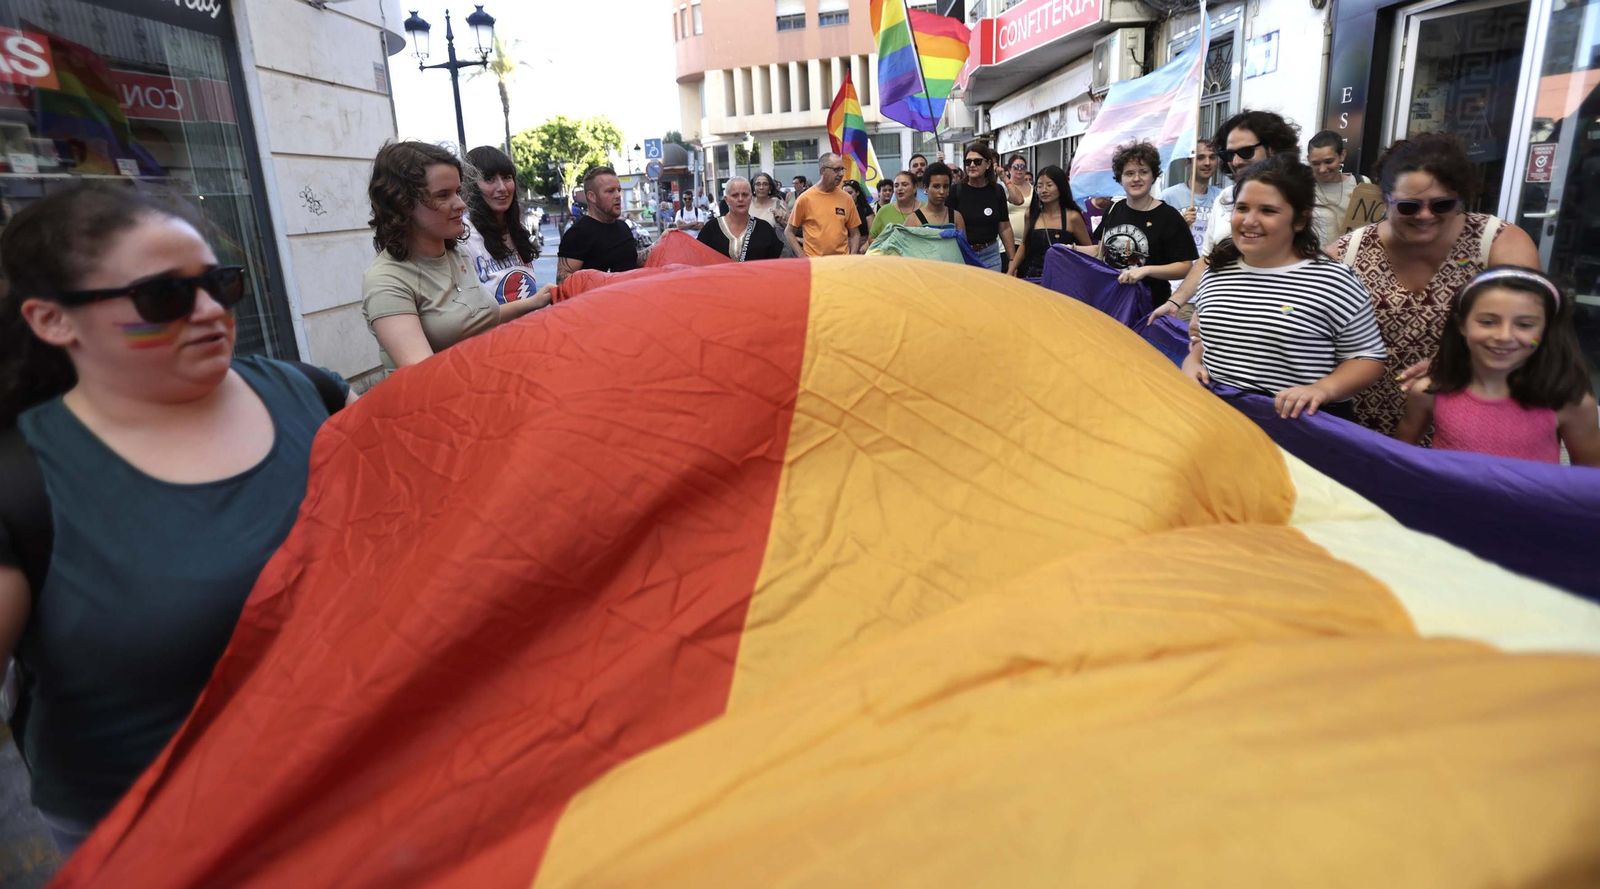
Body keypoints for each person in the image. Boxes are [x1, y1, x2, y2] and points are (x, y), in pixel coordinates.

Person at [0, 184, 353, 853]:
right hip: (153, 839)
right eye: (162, 296)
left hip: (349, 783)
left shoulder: (311, 393)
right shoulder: (21, 486)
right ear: (52, 321)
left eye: (220, 283)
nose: (210, 311)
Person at [1328, 133, 1540, 435]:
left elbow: (1533, 334)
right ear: (1385, 199)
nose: (1425, 216)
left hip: (1467, 425)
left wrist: (1462, 363)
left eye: (1442, 205)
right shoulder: (1346, 254)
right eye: (1409, 207)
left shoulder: (1498, 244)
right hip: (1364, 425)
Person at [1182, 155, 1387, 420]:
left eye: (1268, 211)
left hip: (1298, 435)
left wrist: (1322, 389)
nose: (1249, 221)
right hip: (1221, 424)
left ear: (1300, 220)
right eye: (1242, 208)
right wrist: (1192, 362)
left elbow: (1368, 358)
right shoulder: (1215, 273)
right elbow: (1211, 341)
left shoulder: (1333, 281)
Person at [362, 142, 545, 374]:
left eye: (458, 192)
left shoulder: (455, 254)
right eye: (443, 195)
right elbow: (424, 376)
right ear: (402, 204)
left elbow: (480, 318)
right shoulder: (386, 281)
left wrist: (538, 301)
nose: (461, 204)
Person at [1397, 267, 1599, 464]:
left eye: (1525, 325)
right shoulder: (1428, 391)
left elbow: (1589, 480)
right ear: (1461, 325)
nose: (1504, 336)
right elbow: (1398, 458)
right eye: (1487, 322)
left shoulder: (1569, 402)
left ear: (1546, 331)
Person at [1152, 110, 1303, 322]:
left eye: (1247, 151)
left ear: (1274, 148)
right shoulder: (1224, 198)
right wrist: (1175, 301)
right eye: (1229, 154)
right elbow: (1207, 258)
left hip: (1278, 320)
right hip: (1216, 317)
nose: (1237, 161)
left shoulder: (1301, 198)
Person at [1078, 140, 1197, 311]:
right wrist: (1070, 248)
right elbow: (1101, 250)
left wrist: (1146, 270)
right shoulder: (1113, 209)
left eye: (1143, 172)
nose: (1136, 179)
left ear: (1153, 176)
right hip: (1112, 302)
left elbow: (1185, 267)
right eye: (1129, 173)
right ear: (1120, 178)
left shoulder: (1169, 216)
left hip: (1149, 307)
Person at [461, 146, 550, 307]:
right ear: (471, 186)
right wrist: (535, 302)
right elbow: (474, 315)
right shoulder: (464, 236)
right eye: (489, 179)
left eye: (507, 177)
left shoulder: (517, 229)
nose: (502, 188)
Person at [557, 165, 641, 284]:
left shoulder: (623, 227)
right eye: (610, 191)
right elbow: (563, 282)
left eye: (618, 190)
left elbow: (631, 260)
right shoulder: (578, 234)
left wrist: (661, 243)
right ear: (592, 196)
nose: (618, 195)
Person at [1008, 165, 1092, 279]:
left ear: (1061, 187)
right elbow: (1024, 244)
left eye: (1049, 185)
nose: (1044, 190)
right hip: (1033, 277)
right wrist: (1011, 270)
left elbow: (1088, 249)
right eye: (1039, 186)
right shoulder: (1031, 214)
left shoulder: (1072, 217)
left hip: (1064, 278)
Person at [951, 141, 1015, 271]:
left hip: (990, 255)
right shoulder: (956, 191)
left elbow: (1004, 227)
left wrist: (1012, 260)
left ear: (988, 164)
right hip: (962, 254)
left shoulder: (997, 190)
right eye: (968, 162)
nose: (972, 165)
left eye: (977, 161)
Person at [786, 153, 862, 257]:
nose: (841, 174)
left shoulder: (847, 198)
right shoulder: (805, 199)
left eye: (842, 169)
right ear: (822, 171)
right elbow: (789, 232)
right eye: (836, 169)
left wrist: (852, 257)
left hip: (841, 264)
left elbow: (855, 234)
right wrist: (802, 257)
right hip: (815, 265)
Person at [696, 176, 784, 261]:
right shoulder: (711, 228)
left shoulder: (764, 228)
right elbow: (699, 259)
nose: (741, 199)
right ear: (726, 200)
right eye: (735, 195)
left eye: (745, 195)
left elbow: (774, 264)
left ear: (751, 198)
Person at [1158, 138, 1224, 251]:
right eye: (1200, 157)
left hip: (1212, 265)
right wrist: (1181, 226)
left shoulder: (1222, 197)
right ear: (1188, 162)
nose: (1207, 163)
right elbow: (1157, 239)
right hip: (1182, 266)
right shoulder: (1168, 197)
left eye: (1212, 157)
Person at [1307, 130, 1370, 247]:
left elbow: (1371, 226)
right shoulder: (1303, 187)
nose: (1322, 169)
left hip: (1351, 257)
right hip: (1315, 259)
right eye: (1315, 163)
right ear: (1308, 159)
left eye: (1328, 161)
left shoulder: (1361, 184)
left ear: (1342, 155)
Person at [907, 161, 965, 232]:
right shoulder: (913, 219)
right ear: (926, 188)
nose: (942, 191)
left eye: (945, 186)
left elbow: (962, 242)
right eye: (936, 186)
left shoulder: (956, 217)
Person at [869, 171, 922, 241]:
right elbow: (871, 239)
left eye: (904, 185)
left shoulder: (926, 208)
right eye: (896, 186)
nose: (899, 188)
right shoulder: (884, 211)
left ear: (915, 188)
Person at [1003, 154, 1032, 240]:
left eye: (1022, 167)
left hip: (1029, 239)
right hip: (1007, 241)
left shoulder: (1033, 189)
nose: (1019, 170)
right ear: (1009, 169)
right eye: (1016, 167)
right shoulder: (1003, 188)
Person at [842, 180, 873, 253]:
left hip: (862, 246)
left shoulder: (865, 209)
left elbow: (872, 232)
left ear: (857, 193)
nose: (847, 196)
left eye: (850, 193)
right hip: (843, 247)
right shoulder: (840, 209)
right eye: (844, 194)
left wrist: (866, 244)